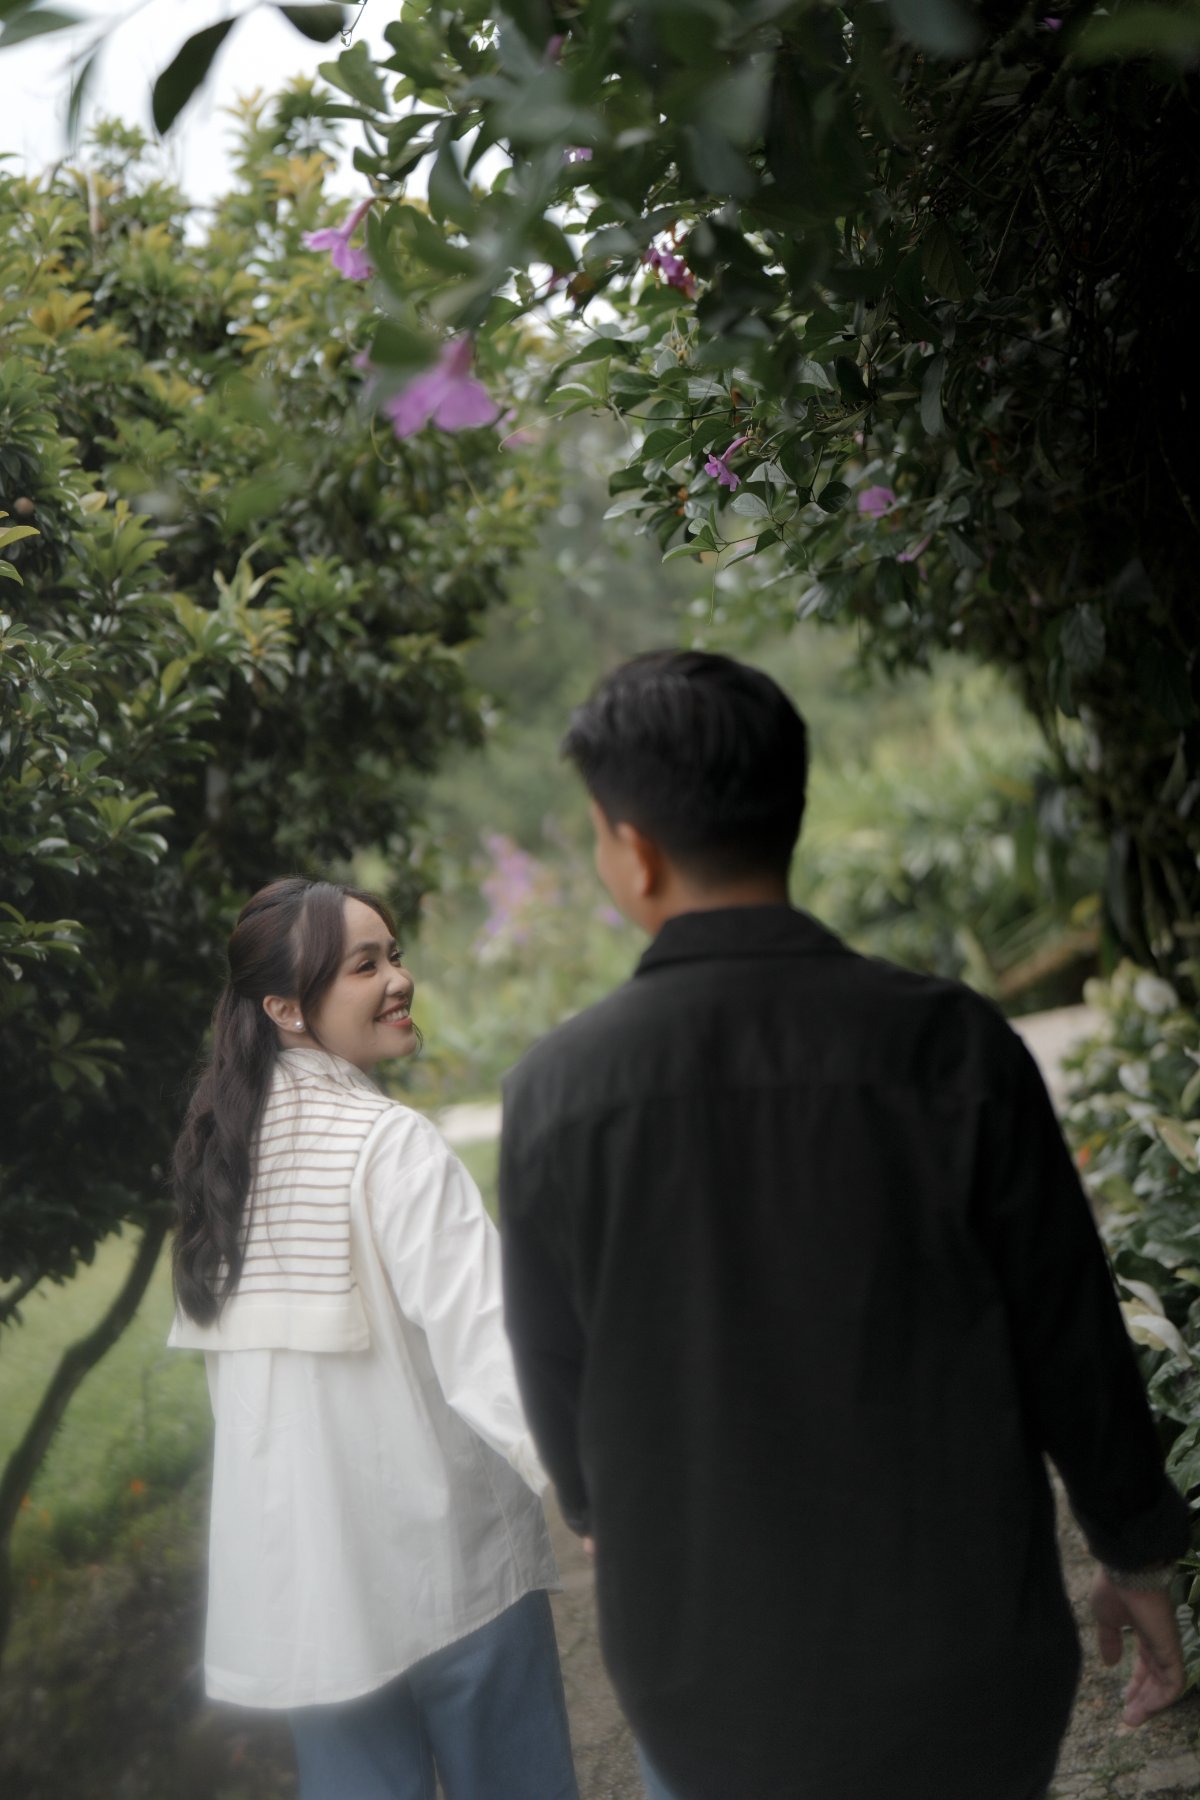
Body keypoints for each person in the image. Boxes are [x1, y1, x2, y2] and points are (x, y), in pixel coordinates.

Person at [497, 650, 1190, 1800]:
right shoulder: (954, 1048)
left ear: (636, 850)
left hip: (710, 1680)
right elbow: (1071, 1334)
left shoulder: (556, 1094)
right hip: (966, 1661)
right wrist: (1134, 1549)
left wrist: (596, 1505)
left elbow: (553, 1363)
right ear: (790, 811)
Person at [170, 876, 578, 1800]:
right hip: (455, 1573)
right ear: (285, 1008)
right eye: (364, 965)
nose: (398, 979)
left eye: (393, 955)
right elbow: (495, 1345)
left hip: (315, 1605)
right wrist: (589, 1491)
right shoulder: (391, 1145)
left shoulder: (222, 1160)